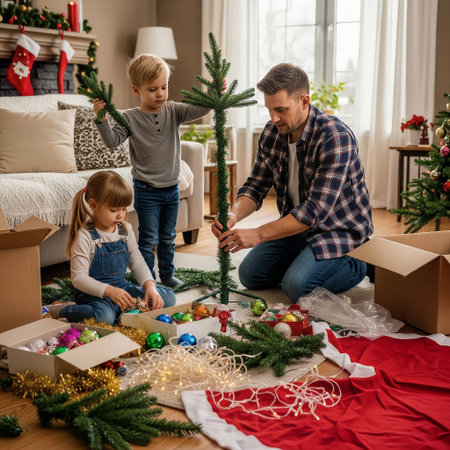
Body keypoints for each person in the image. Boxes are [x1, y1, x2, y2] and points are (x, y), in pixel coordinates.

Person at [213, 63, 373, 302]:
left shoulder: (335, 136)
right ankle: (306, 260)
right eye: (269, 109)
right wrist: (233, 215)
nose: (273, 118)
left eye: (281, 109)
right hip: (296, 228)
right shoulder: (272, 132)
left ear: (304, 101)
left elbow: (314, 211)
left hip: (339, 232)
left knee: (296, 287)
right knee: (249, 275)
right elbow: (256, 185)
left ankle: (359, 264)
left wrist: (258, 234)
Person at [93, 54, 211, 288]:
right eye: (152, 89)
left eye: (164, 87)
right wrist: (102, 119)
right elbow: (112, 141)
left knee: (168, 237)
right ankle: (147, 280)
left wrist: (214, 92)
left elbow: (201, 109)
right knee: (148, 240)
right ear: (137, 90)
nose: (160, 94)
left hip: (172, 189)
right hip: (146, 190)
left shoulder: (174, 110)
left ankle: (167, 275)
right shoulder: (129, 118)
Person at [60, 170, 176, 325]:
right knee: (104, 318)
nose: (121, 215)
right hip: (94, 295)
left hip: (122, 288)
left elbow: (137, 262)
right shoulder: (85, 236)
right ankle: (65, 309)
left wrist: (150, 286)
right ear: (93, 205)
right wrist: (109, 291)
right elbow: (79, 279)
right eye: (114, 210)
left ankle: (121, 309)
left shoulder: (125, 229)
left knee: (168, 297)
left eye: (124, 209)